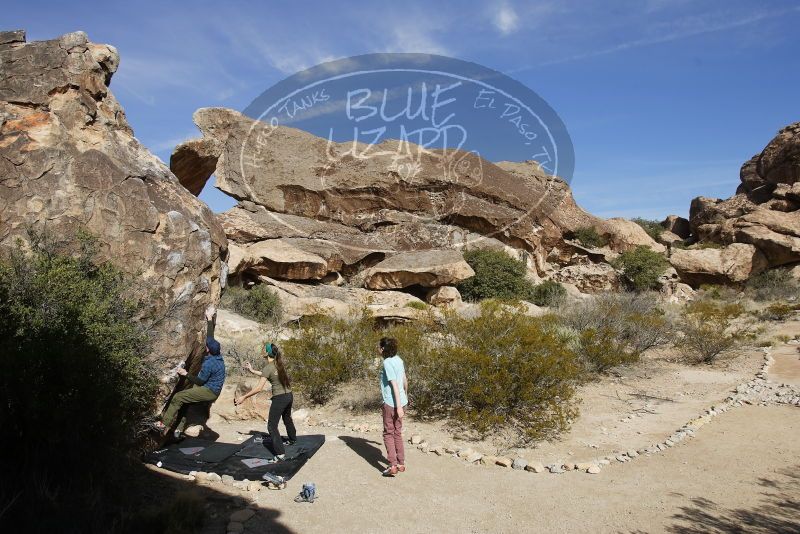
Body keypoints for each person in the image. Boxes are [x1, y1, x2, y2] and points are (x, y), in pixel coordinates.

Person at [152, 307, 226, 436]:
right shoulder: (218, 355)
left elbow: (200, 380)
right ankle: (179, 430)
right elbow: (210, 338)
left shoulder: (209, 363)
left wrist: (185, 373)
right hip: (213, 389)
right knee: (187, 401)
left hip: (209, 390)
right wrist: (209, 319)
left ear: (207, 350)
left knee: (178, 397)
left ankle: (163, 424)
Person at [235, 342, 296, 464]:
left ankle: (280, 454)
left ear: (268, 353)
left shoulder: (269, 367)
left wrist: (244, 397)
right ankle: (292, 439)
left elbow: (259, 388)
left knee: (271, 426)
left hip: (279, 398)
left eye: (264, 349)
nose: (262, 350)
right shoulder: (277, 363)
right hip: (289, 395)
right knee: (287, 417)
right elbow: (266, 374)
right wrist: (252, 370)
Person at [378, 337, 408, 477]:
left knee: (388, 433)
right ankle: (401, 463)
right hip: (402, 401)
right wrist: (405, 399)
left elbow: (394, 384)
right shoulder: (398, 359)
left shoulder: (387, 362)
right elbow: (404, 380)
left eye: (380, 346)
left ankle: (392, 465)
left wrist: (398, 406)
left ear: (383, 349)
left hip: (391, 403)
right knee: (397, 432)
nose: (378, 348)